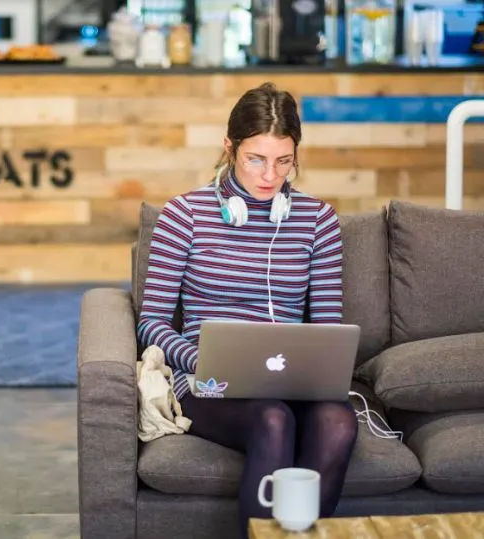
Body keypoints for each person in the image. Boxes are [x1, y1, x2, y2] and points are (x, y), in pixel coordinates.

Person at [137, 82, 358, 537]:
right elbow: (151, 322)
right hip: (208, 381)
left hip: (292, 380)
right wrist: (202, 360)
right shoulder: (184, 216)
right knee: (272, 418)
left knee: (337, 423)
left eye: (283, 161)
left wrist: (320, 371)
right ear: (229, 147)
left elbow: (328, 326)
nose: (268, 176)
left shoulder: (318, 221)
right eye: (255, 159)